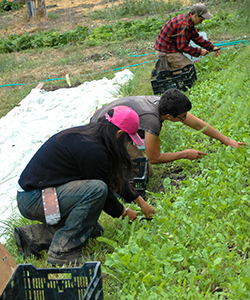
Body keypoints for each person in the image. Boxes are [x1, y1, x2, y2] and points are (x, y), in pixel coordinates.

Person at [14, 106, 155, 266]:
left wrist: (140, 202)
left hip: (42, 192)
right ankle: (62, 251)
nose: (128, 145)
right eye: (129, 140)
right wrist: (123, 212)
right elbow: (104, 192)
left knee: (93, 230)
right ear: (119, 134)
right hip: (33, 198)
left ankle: (31, 237)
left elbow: (113, 178)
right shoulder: (93, 151)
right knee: (97, 190)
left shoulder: (94, 136)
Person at [91, 89, 246, 174]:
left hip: (113, 118)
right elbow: (154, 158)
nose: (185, 119)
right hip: (104, 129)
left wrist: (227, 141)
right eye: (182, 117)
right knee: (145, 171)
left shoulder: (163, 103)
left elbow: (198, 125)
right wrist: (185, 154)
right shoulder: (152, 121)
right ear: (169, 117)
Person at [152, 3, 220, 76]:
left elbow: (196, 37)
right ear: (195, 16)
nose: (201, 22)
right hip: (166, 51)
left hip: (172, 48)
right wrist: (199, 51)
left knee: (188, 69)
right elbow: (183, 47)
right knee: (188, 70)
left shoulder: (189, 20)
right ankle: (162, 68)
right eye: (201, 19)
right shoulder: (183, 25)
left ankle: (165, 66)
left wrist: (212, 47)